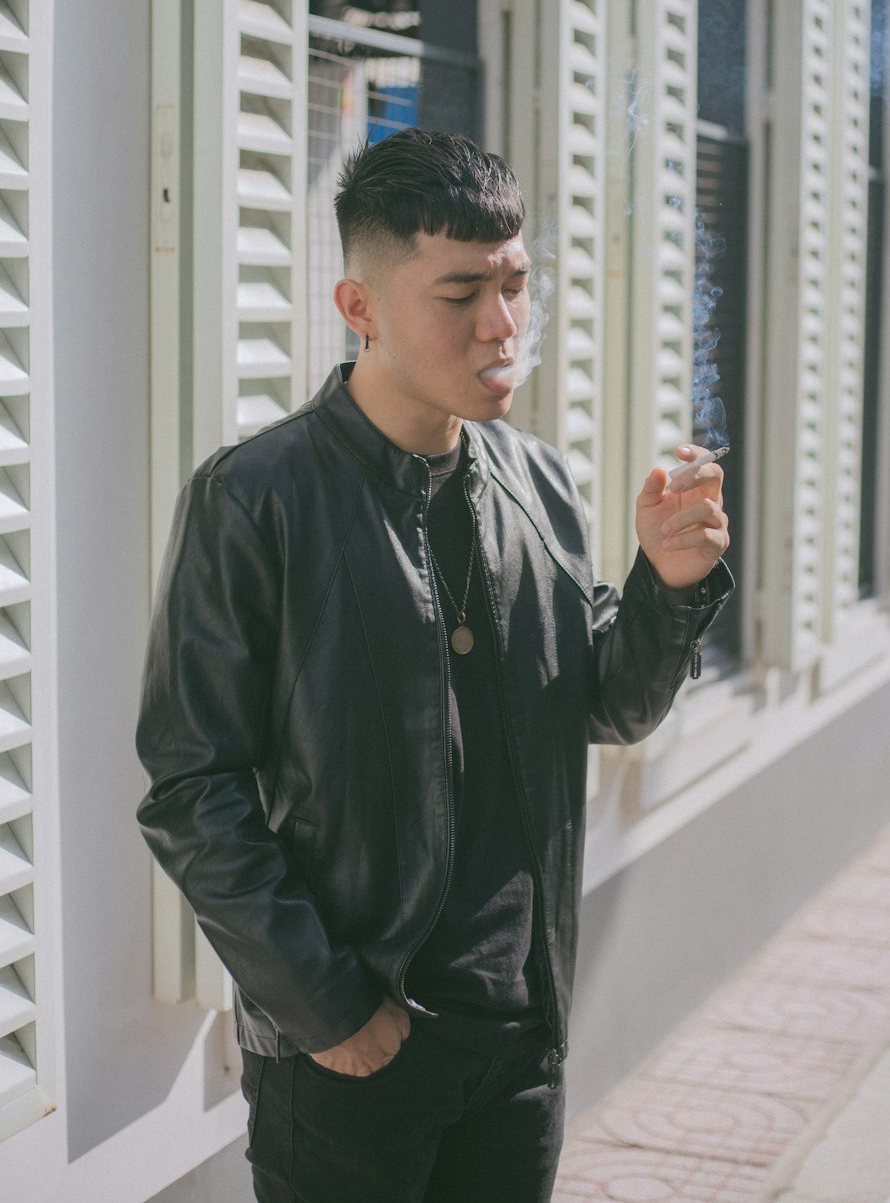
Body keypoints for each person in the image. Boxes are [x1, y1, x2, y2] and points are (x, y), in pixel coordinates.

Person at [136, 128, 732, 1203]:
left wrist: (669, 586)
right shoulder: (257, 499)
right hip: (353, 1050)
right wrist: (330, 1010)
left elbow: (609, 702)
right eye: (461, 293)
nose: (503, 326)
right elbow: (191, 788)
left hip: (520, 1040)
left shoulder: (539, 483)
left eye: (513, 284)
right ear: (359, 309)